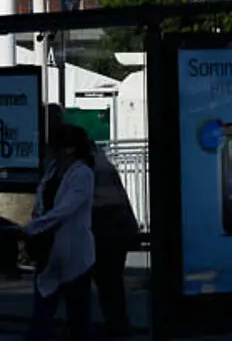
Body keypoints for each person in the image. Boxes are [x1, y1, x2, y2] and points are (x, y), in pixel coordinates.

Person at [25, 124, 95, 341]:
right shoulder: (53, 171)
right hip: (49, 252)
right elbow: (42, 200)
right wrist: (37, 218)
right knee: (43, 313)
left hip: (74, 252)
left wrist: (35, 226)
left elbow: (66, 209)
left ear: (69, 149)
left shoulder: (82, 174)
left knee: (77, 316)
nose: (51, 152)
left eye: (56, 147)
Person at [91, 143, 139, 337]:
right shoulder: (104, 164)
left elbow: (98, 202)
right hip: (119, 226)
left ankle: (115, 322)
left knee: (106, 278)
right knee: (112, 279)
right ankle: (118, 321)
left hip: (106, 228)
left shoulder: (89, 168)